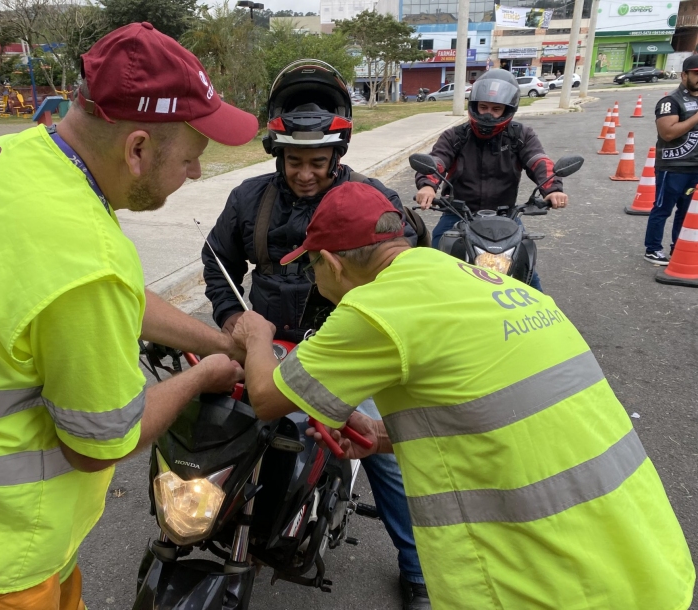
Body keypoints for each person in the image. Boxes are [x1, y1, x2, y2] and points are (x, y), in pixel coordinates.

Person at [0, 23, 255, 609]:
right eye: (190, 158)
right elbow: (100, 442)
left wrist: (219, 343)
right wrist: (201, 377)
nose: (196, 175)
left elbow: (112, 296)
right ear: (137, 148)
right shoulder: (83, 259)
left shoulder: (10, 156)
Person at [231, 180, 696, 610]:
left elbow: (268, 398)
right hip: (648, 559)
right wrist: (382, 434)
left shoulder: (376, 306)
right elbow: (498, 412)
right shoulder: (489, 284)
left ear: (329, 262)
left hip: (556, 586)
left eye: (313, 268)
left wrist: (256, 334)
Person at [201, 59, 430, 609]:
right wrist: (233, 321)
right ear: (277, 153)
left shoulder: (374, 201)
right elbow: (216, 264)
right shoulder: (247, 199)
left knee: (381, 452)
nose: (305, 173)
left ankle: (418, 568)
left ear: (338, 155)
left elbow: (401, 276)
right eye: (295, 161)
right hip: (263, 342)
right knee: (209, 425)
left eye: (318, 162)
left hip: (346, 351)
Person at [414, 69, 568, 292]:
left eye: (496, 109)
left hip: (506, 216)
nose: (488, 114)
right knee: (437, 259)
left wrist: (552, 189)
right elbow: (437, 159)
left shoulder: (521, 135)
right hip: (457, 213)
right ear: (474, 106)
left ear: (508, 110)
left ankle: (541, 318)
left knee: (527, 272)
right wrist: (428, 185)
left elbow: (538, 160)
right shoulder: (455, 136)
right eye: (483, 107)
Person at [643, 54, 698, 265]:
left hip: (695, 167)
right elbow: (667, 133)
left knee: (688, 212)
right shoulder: (670, 101)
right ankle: (653, 248)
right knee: (662, 209)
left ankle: (680, 247)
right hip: (673, 166)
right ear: (684, 75)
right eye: (696, 74)